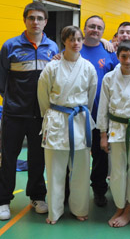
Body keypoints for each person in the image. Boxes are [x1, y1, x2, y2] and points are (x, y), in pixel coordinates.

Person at [0, 2, 58, 220]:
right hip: (14, 114)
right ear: (25, 20)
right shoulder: (10, 46)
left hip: (41, 115)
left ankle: (37, 196)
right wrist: (11, 101)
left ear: (45, 22)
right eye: (31, 18)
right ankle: (3, 200)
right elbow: (2, 79)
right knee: (8, 158)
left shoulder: (52, 48)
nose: (35, 22)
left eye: (40, 18)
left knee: (38, 158)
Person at [37, 25, 97, 224]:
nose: (76, 43)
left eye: (79, 39)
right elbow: (43, 97)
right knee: (55, 170)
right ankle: (54, 212)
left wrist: (80, 112)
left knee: (80, 169)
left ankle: (79, 208)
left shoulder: (88, 67)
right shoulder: (52, 67)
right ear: (64, 41)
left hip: (79, 119)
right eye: (71, 39)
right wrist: (53, 115)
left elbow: (90, 97)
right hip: (56, 118)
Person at [97, 40, 130, 227]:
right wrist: (103, 135)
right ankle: (120, 206)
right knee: (117, 172)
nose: (128, 61)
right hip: (116, 130)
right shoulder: (109, 78)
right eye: (124, 56)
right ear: (118, 56)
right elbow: (102, 108)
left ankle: (129, 208)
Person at [81, 15, 120, 207]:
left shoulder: (109, 52)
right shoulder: (74, 48)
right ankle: (69, 191)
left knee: (100, 156)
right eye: (91, 26)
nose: (95, 30)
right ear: (84, 28)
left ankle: (98, 190)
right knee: (76, 155)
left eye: (99, 28)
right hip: (78, 116)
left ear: (103, 32)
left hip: (100, 115)